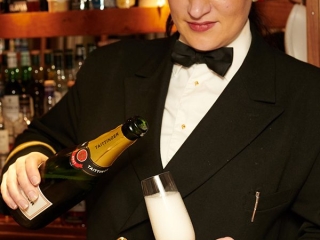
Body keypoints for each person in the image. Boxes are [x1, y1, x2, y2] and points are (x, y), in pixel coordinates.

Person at [1, 0, 320, 239]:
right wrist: (26, 163)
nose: (196, 9)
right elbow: (43, 137)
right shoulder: (110, 66)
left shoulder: (306, 95)